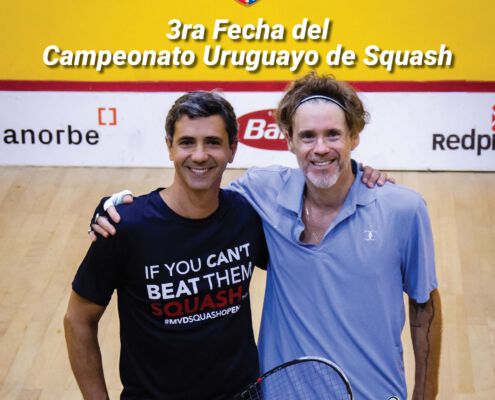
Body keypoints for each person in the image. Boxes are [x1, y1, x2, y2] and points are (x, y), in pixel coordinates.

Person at [91, 74, 439, 400]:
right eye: (307, 136)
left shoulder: (403, 209)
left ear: (354, 137)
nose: (320, 148)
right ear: (289, 140)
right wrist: (118, 207)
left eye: (333, 134)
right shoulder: (262, 192)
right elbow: (194, 203)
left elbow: (425, 306)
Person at [64, 91, 269, 399]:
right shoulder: (125, 226)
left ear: (232, 150)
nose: (199, 155)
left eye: (213, 142)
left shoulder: (247, 216)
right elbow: (78, 319)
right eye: (186, 142)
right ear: (169, 148)